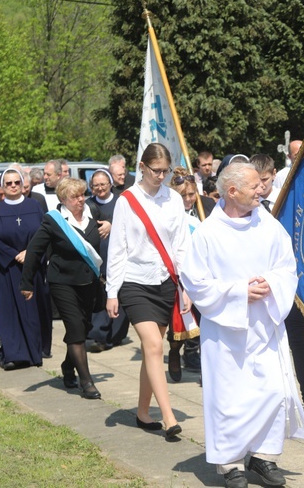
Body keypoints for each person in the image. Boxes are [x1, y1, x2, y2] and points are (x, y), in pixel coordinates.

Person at [182, 163, 304, 488]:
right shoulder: (209, 233)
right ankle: (231, 464)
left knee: (273, 391)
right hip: (226, 333)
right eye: (254, 185)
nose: (261, 189)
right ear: (232, 191)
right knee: (229, 399)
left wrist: (269, 282)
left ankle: (264, 457)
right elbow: (195, 282)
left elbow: (287, 266)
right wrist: (238, 291)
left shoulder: (269, 225)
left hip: (265, 327)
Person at [106, 143, 191, 439]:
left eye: (165, 171)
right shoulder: (126, 201)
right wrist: (112, 291)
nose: (161, 176)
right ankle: (168, 416)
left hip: (165, 282)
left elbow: (182, 246)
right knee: (154, 345)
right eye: (156, 170)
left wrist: (185, 286)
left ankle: (143, 412)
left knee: (151, 350)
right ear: (141, 167)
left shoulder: (174, 200)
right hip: (134, 282)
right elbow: (117, 249)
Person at [251, 151, 304, 422]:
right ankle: (271, 401)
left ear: (274, 175)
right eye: (256, 181)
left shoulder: (290, 201)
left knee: (298, 339)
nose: (260, 187)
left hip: (287, 283)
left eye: (265, 180)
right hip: (259, 286)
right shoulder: (247, 206)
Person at [21, 178, 103, 399]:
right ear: (63, 200)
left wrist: (110, 224)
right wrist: (27, 283)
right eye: (75, 197)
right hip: (63, 283)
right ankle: (87, 382)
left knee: (83, 329)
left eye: (82, 195)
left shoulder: (92, 213)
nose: (80, 200)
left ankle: (68, 366)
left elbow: (107, 227)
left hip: (89, 283)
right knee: (76, 328)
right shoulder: (54, 221)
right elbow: (35, 250)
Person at [0, 169, 49, 370]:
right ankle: (15, 354)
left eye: (17, 182)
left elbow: (44, 232)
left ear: (23, 184)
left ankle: (34, 352)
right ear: (2, 186)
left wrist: (30, 253)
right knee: (10, 311)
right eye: (8, 183)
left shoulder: (34, 206)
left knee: (32, 310)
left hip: (31, 267)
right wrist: (14, 254)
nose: (13, 186)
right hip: (6, 269)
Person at [166, 167, 207, 379]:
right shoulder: (170, 215)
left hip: (202, 274)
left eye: (192, 194)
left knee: (202, 320)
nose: (189, 199)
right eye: (184, 195)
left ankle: (195, 356)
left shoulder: (204, 210)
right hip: (178, 274)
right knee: (179, 321)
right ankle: (174, 351)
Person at [86, 169, 129, 352]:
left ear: (111, 184)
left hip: (119, 257)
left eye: (103, 184)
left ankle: (115, 335)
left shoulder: (122, 202)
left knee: (120, 297)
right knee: (100, 297)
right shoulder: (88, 204)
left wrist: (112, 224)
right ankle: (98, 336)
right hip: (98, 258)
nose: (100, 188)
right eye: (95, 185)